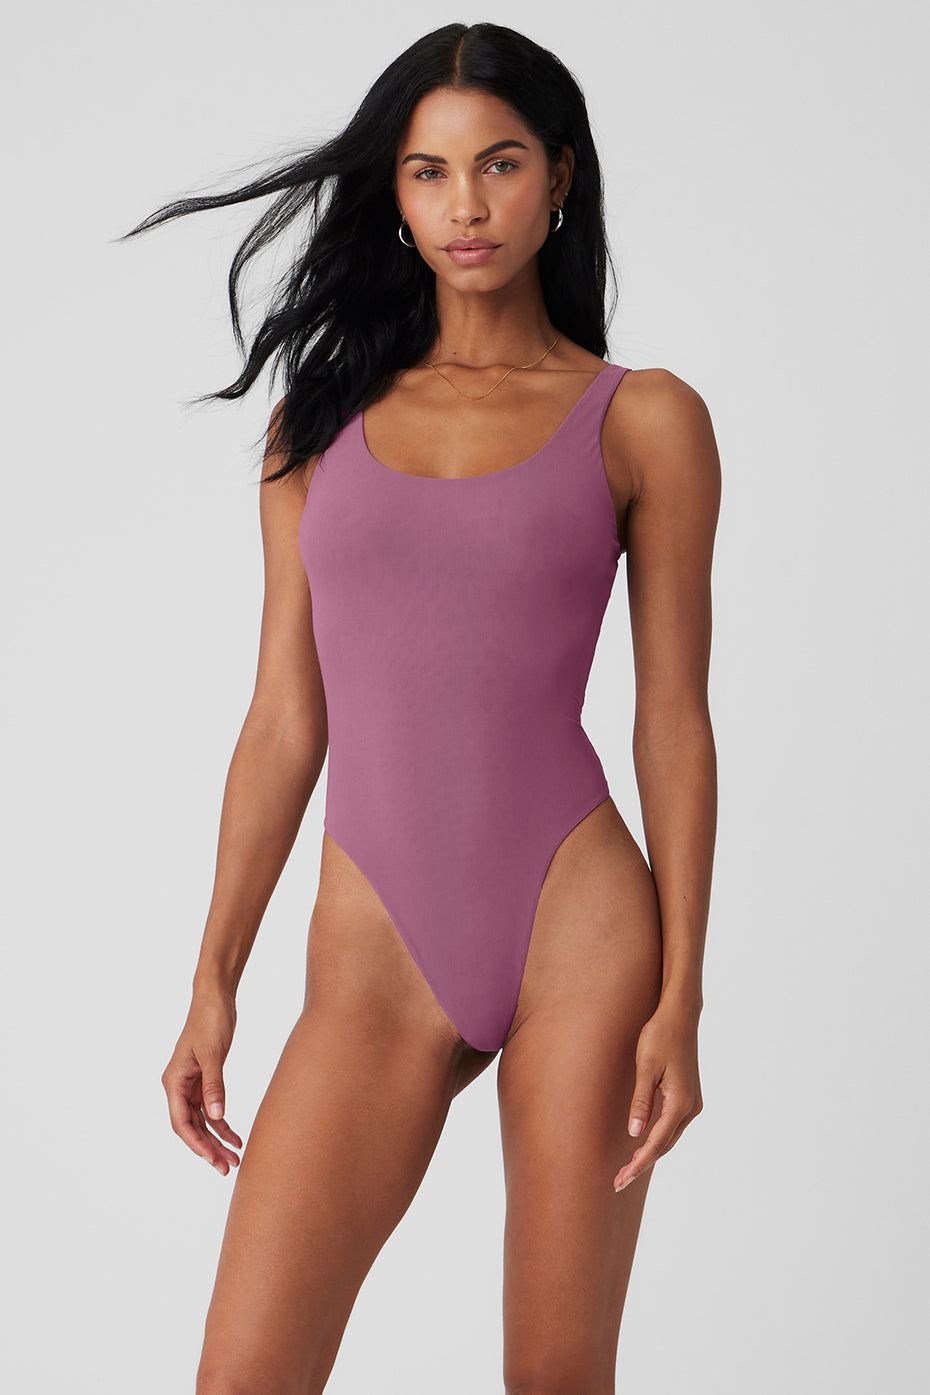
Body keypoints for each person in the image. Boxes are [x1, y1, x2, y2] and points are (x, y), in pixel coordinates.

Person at [121, 20, 720, 1395]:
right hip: (371, 948)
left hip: (577, 923)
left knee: (554, 1380)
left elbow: (673, 721)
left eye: (499, 164)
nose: (466, 205)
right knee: (243, 1379)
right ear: (392, 193)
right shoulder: (315, 425)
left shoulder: (644, 419)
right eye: (429, 171)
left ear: (557, 176)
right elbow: (284, 717)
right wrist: (213, 979)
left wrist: (683, 994)